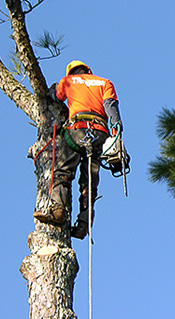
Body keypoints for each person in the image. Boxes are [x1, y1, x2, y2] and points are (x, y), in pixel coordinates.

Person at [33, 60, 123, 239]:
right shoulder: (104, 82)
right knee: (89, 181)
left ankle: (58, 210)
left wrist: (52, 90)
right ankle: (83, 224)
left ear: (71, 72)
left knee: (62, 172)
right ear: (88, 71)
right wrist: (116, 135)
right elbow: (111, 108)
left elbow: (55, 96)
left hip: (77, 130)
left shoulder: (67, 81)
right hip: (100, 134)